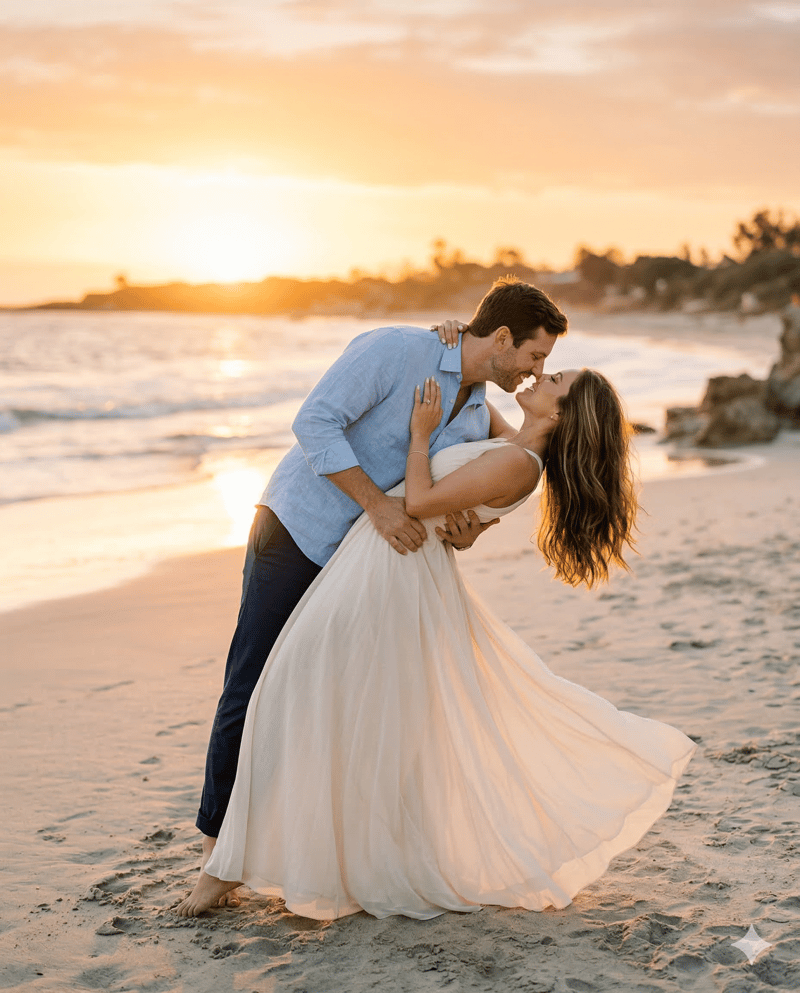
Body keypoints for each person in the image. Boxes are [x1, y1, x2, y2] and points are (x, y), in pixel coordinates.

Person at [176, 368, 696, 920]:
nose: (541, 374)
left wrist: (421, 434)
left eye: (554, 380)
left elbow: (419, 501)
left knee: (289, 691)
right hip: (385, 566)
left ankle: (232, 864)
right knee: (317, 702)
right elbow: (476, 385)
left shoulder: (519, 463)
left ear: (560, 414)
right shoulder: (512, 443)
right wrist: (451, 338)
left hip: (390, 575)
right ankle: (256, 858)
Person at [193, 277, 569, 906]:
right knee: (252, 684)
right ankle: (215, 847)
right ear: (502, 338)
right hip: (300, 532)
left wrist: (464, 530)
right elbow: (313, 423)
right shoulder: (398, 351)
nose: (537, 369)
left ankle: (303, 843)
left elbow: (473, 485)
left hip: (363, 567)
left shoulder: (479, 412)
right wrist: (377, 508)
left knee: (327, 700)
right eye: (535, 355)